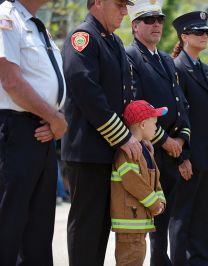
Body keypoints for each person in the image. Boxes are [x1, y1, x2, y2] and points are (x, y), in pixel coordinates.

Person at [61, 0, 141, 265]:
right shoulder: (83, 38)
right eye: (119, 4)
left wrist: (138, 135)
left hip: (110, 152)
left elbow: (125, 95)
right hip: (87, 151)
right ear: (97, 3)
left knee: (102, 227)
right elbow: (87, 92)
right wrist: (123, 136)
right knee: (87, 227)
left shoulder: (114, 42)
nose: (124, 11)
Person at [0, 0, 68, 265]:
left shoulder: (39, 27)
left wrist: (56, 120)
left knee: (38, 231)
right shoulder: (7, 17)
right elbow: (11, 81)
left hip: (43, 130)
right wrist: (54, 119)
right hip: (16, 130)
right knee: (9, 227)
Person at [126, 1, 191, 264]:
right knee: (149, 221)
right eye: (149, 19)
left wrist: (181, 142)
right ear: (134, 26)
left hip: (173, 152)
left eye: (159, 20)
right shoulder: (130, 56)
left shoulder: (165, 58)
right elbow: (136, 106)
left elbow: (181, 104)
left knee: (169, 219)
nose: (156, 25)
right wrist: (164, 141)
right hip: (149, 150)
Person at [170, 11, 208, 265]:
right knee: (182, 215)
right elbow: (179, 118)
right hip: (189, 157)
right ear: (184, 36)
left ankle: (200, 261)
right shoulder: (177, 68)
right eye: (198, 32)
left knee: (201, 215)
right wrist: (183, 157)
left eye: (206, 32)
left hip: (206, 155)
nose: (204, 36)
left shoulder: (204, 68)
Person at [111, 100, 167, 266]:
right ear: (143, 124)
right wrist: (154, 203)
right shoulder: (129, 153)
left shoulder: (145, 150)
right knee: (130, 261)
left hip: (139, 223)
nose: (156, 127)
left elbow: (155, 178)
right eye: (154, 123)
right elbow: (134, 182)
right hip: (130, 224)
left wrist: (160, 200)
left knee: (137, 258)